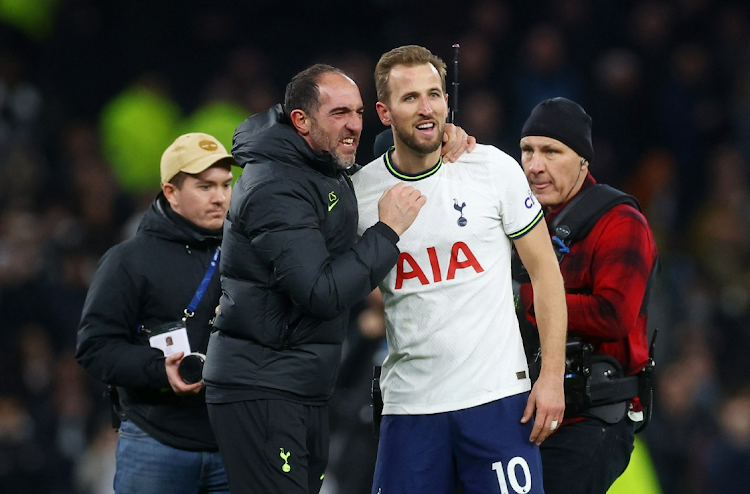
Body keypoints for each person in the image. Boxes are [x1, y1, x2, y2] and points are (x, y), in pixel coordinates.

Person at [202, 64, 473, 494]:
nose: (353, 125)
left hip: (298, 385)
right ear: (301, 121)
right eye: (339, 113)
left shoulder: (320, 167)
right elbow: (321, 292)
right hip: (264, 384)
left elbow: (381, 163)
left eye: (360, 112)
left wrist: (439, 138)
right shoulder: (277, 185)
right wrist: (387, 232)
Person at [352, 45, 568, 494]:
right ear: (383, 111)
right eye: (410, 98)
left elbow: (546, 273)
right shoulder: (359, 194)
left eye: (434, 93)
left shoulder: (492, 169)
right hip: (409, 408)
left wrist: (550, 379)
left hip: (498, 403)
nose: (426, 108)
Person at [75, 132, 235, 494]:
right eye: (205, 186)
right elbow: (94, 347)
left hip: (233, 441)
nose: (220, 197)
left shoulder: (247, 255)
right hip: (156, 444)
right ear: (171, 192)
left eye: (226, 184)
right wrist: (158, 370)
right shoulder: (128, 260)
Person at [515, 97, 659, 494]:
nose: (535, 165)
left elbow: (612, 314)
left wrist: (530, 302)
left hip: (594, 418)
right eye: (527, 150)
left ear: (583, 161)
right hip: (526, 412)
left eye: (551, 151)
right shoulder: (521, 220)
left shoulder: (620, 221)